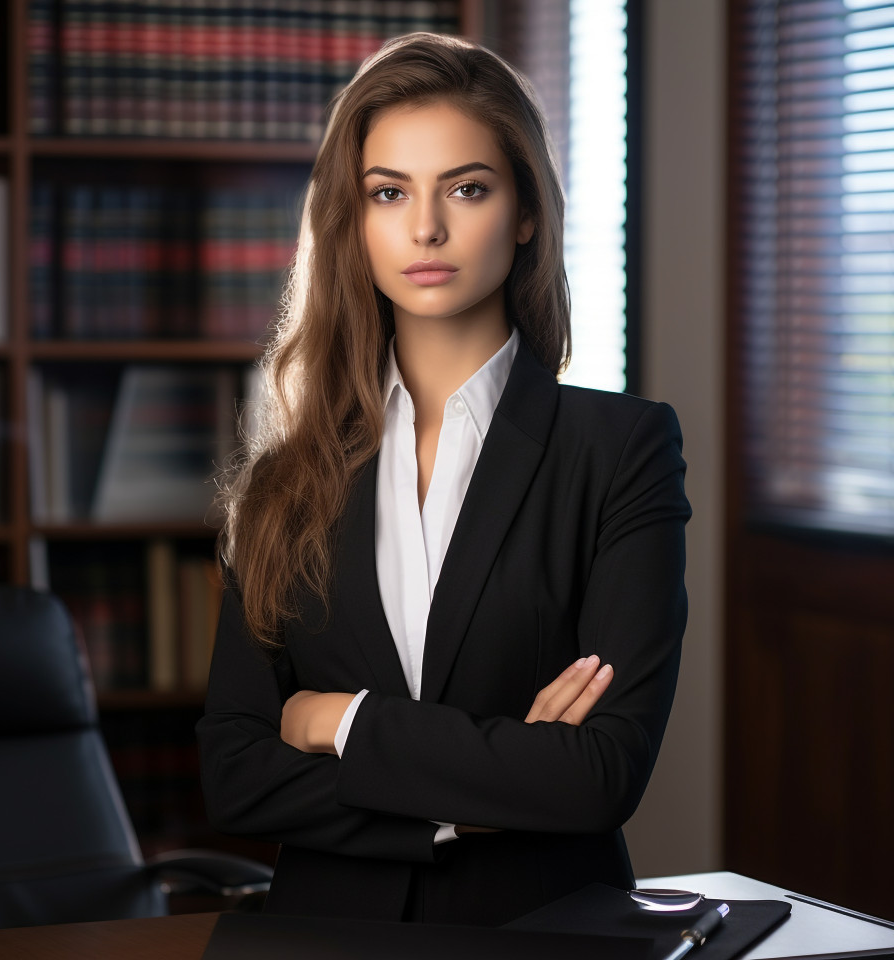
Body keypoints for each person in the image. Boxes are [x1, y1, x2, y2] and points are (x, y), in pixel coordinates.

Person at [196, 32, 691, 927]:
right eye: (389, 193)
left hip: (543, 934)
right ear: (355, 218)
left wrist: (339, 721)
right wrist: (475, 803)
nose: (426, 228)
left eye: (467, 188)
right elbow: (234, 775)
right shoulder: (283, 481)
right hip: (326, 938)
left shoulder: (622, 449)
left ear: (526, 210)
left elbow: (600, 775)